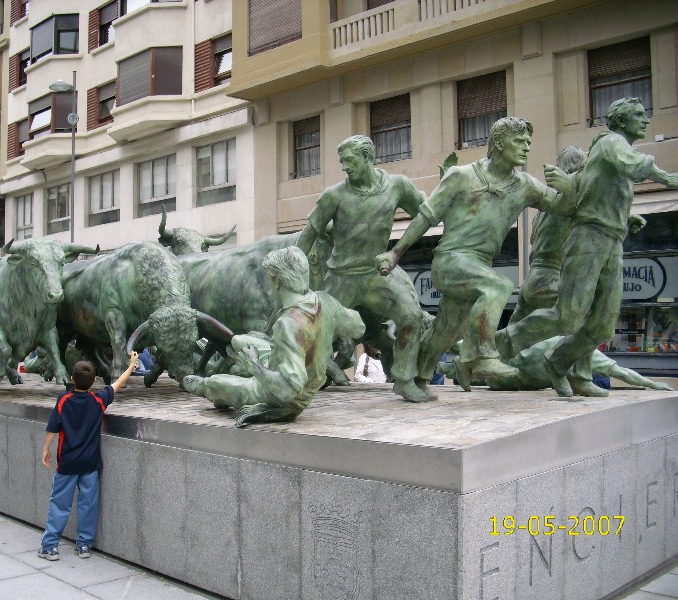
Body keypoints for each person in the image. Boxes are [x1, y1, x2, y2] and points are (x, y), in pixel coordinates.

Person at [376, 117, 577, 389]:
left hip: (478, 265)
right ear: (498, 143)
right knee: (498, 286)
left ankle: (414, 378)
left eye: (529, 142)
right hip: (450, 260)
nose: (527, 147)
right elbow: (426, 216)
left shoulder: (526, 185)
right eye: (519, 141)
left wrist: (568, 186)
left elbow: (563, 207)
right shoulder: (461, 176)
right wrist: (395, 253)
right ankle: (481, 355)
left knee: (446, 331)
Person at [499, 98, 678, 397]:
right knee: (571, 316)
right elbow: (623, 169)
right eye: (638, 115)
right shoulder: (610, 143)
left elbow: (593, 192)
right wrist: (667, 178)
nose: (646, 120)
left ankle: (560, 364)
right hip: (567, 258)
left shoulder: (589, 178)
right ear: (620, 121)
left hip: (609, 241)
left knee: (602, 325)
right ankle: (493, 349)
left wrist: (625, 217)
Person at [295, 135, 430, 403]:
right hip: (341, 277)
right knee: (314, 330)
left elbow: (426, 214)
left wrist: (397, 251)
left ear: (368, 158)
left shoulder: (397, 186)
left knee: (412, 317)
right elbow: (309, 234)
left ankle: (404, 378)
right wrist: (294, 272)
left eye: (349, 161)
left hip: (376, 276)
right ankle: (302, 379)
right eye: (341, 161)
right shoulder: (334, 195)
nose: (344, 167)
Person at [183, 247, 365, 427]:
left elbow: (289, 389)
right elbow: (358, 328)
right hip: (290, 366)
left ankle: (209, 388)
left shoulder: (287, 324)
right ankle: (236, 370)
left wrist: (254, 366)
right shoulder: (325, 301)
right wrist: (324, 332)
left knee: (217, 382)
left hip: (283, 399)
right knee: (239, 341)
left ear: (275, 279)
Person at [38, 350, 139, 561]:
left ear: (72, 379)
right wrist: (131, 365)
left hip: (67, 462)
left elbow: (53, 426)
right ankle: (84, 545)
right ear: (93, 381)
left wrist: (46, 448)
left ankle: (50, 546)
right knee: (88, 504)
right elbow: (116, 385)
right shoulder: (98, 400)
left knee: (60, 504)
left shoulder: (64, 399)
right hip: (90, 464)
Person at [508, 146, 587, 324]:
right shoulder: (572, 199)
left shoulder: (549, 202)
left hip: (532, 280)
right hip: (550, 280)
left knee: (508, 339)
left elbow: (533, 239)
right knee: (578, 329)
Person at [439, 336, 674, 393]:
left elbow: (620, 372)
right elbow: (620, 372)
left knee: (489, 366)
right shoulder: (567, 343)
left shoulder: (581, 349)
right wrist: (652, 384)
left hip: (518, 377)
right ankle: (447, 363)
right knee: (490, 364)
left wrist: (652, 384)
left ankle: (448, 365)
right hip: (519, 374)